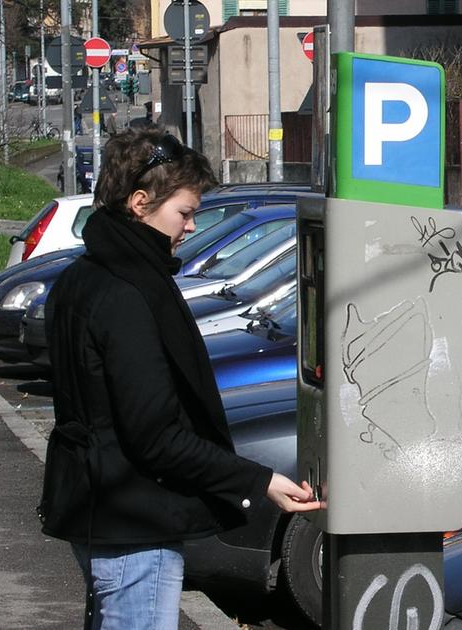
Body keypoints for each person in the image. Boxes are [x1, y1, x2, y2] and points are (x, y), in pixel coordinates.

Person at [38, 129, 321, 629]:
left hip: (101, 507)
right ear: (140, 203)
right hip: (135, 522)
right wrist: (260, 481)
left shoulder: (83, 277)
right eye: (184, 213)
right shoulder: (130, 291)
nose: (190, 227)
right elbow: (155, 435)